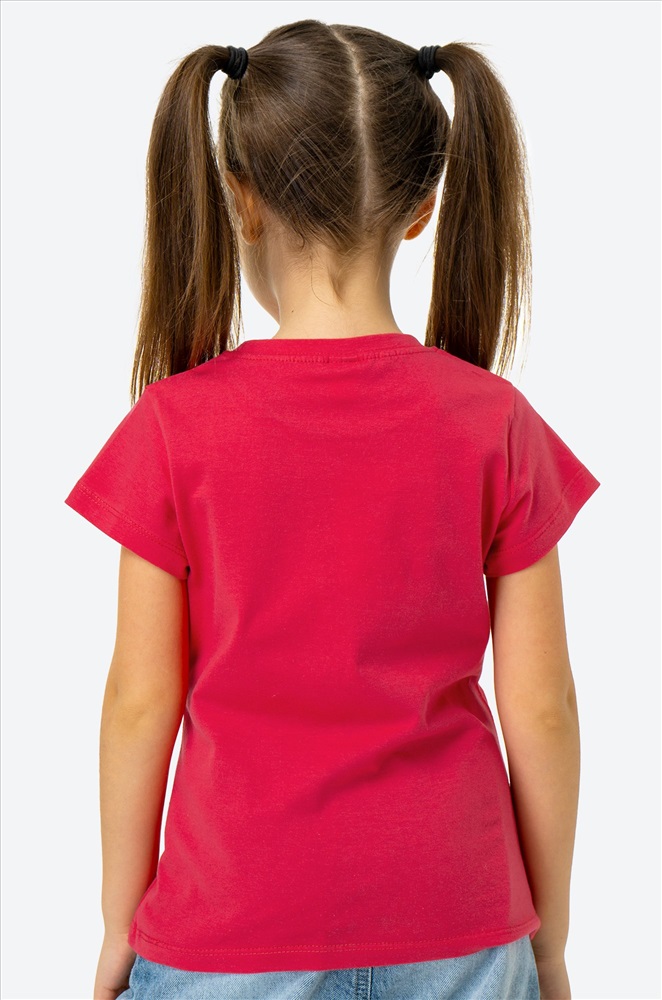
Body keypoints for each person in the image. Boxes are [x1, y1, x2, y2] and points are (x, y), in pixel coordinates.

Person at [64, 19, 601, 1000]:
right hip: (462, 929)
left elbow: (139, 703)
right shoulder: (495, 422)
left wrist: (114, 924)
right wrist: (551, 941)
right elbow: (542, 708)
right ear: (422, 207)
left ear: (239, 195)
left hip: (230, 932)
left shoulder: (174, 426)